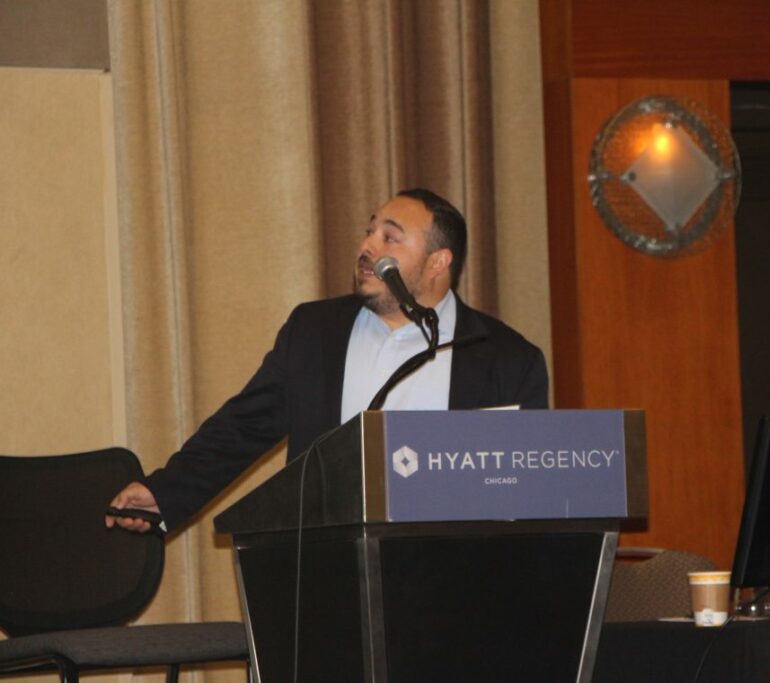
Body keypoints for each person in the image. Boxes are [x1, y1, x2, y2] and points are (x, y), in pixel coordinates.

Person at [106, 188, 548, 534]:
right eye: (369, 231)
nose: (367, 246)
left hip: (452, 589)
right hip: (327, 573)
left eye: (390, 237)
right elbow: (243, 427)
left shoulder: (507, 360)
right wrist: (165, 492)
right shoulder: (315, 332)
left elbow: (523, 492)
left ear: (438, 262)